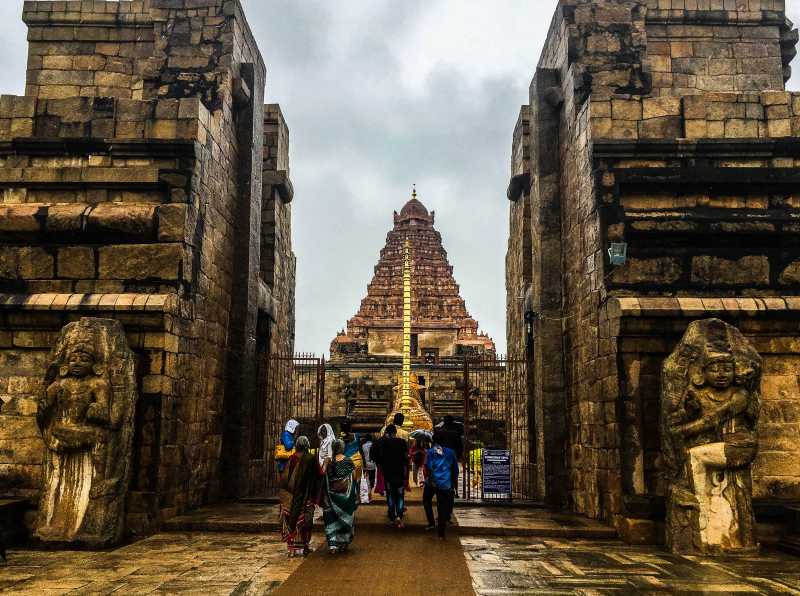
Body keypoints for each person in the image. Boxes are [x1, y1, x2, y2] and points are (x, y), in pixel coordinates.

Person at [277, 436, 320, 557]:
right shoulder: (311, 458)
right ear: (307, 446)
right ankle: (305, 546)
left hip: (292, 497)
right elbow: (318, 475)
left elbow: (285, 479)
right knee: (306, 522)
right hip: (306, 496)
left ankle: (292, 548)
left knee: (292, 519)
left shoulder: (291, 459)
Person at [321, 439, 359, 554]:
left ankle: (333, 545)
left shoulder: (329, 462)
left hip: (330, 496)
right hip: (346, 497)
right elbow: (354, 479)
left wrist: (326, 463)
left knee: (331, 519)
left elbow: (322, 475)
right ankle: (344, 543)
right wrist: (356, 495)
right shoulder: (348, 461)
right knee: (345, 518)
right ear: (343, 448)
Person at [423, 430, 459, 539]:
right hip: (446, 483)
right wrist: (453, 484)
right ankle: (441, 532)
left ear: (434, 440)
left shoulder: (430, 452)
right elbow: (455, 470)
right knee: (442, 507)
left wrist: (431, 480)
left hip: (432, 483)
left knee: (426, 500)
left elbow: (428, 468)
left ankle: (431, 522)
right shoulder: (451, 452)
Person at [374, 424, 409, 528]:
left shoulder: (384, 442)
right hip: (400, 472)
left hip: (388, 473)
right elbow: (406, 458)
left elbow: (380, 457)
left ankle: (392, 517)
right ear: (395, 432)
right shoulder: (402, 442)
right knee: (400, 496)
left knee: (390, 495)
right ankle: (399, 516)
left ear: (388, 433)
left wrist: (382, 466)